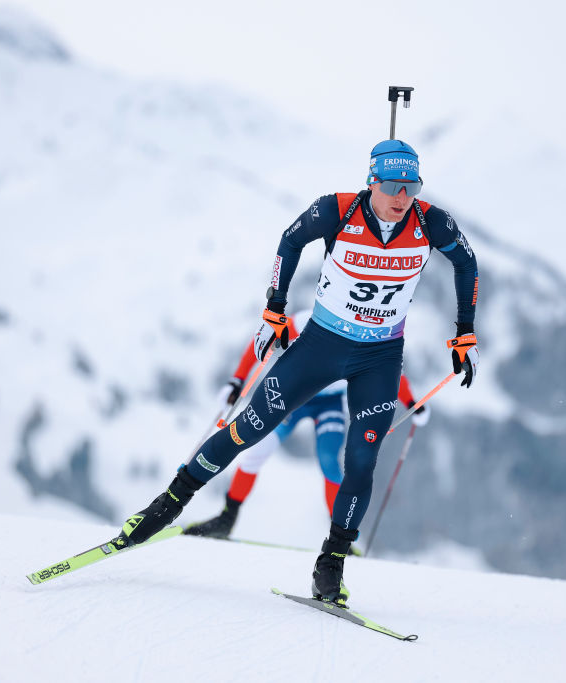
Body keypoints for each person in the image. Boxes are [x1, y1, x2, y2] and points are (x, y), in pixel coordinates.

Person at [118, 138, 479, 606]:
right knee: (249, 428)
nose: (402, 197)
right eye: (392, 185)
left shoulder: (432, 221)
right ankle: (166, 506)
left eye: (411, 186)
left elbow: (467, 263)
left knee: (362, 459)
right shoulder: (338, 210)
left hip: (380, 356)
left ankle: (331, 563)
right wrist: (275, 307)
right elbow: (290, 241)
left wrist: (464, 332)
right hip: (322, 345)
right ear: (373, 181)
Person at [185, 309, 431, 540]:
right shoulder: (306, 321)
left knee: (328, 460)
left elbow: (384, 371)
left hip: (329, 403)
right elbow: (261, 342)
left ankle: (337, 539)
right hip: (294, 396)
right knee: (255, 453)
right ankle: (226, 519)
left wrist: (411, 401)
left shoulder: (364, 330)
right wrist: (236, 380)